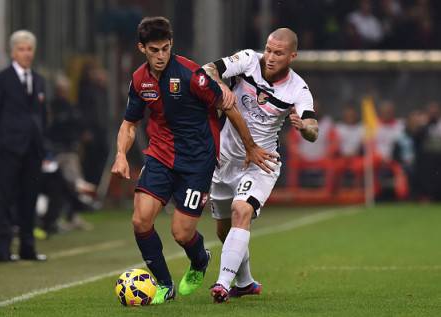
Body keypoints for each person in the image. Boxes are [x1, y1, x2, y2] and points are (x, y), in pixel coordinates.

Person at [111, 16, 274, 305]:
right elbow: (129, 124)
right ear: (141, 48)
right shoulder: (139, 80)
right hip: (160, 156)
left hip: (197, 162)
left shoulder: (192, 75)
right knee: (140, 220)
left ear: (171, 45)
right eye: (154, 50)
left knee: (181, 233)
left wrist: (250, 147)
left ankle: (199, 260)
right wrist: (121, 155)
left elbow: (230, 106)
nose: (161, 56)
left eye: (165, 49)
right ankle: (163, 284)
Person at [203, 28, 319, 303]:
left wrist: (304, 128)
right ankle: (244, 282)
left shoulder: (297, 89)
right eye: (268, 49)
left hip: (262, 162)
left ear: (292, 56)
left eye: (278, 53)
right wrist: (219, 83)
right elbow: (207, 69)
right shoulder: (247, 60)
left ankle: (222, 284)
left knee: (240, 210)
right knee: (223, 230)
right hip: (225, 160)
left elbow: (314, 129)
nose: (269, 57)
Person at [0, 30, 47, 263]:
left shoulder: (39, 80)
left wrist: (43, 145)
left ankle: (27, 248)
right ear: (12, 52)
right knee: (4, 199)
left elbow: (42, 116)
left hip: (33, 150)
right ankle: (3, 250)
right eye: (21, 49)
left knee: (29, 199)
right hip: (8, 150)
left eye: (29, 49)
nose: (26, 53)